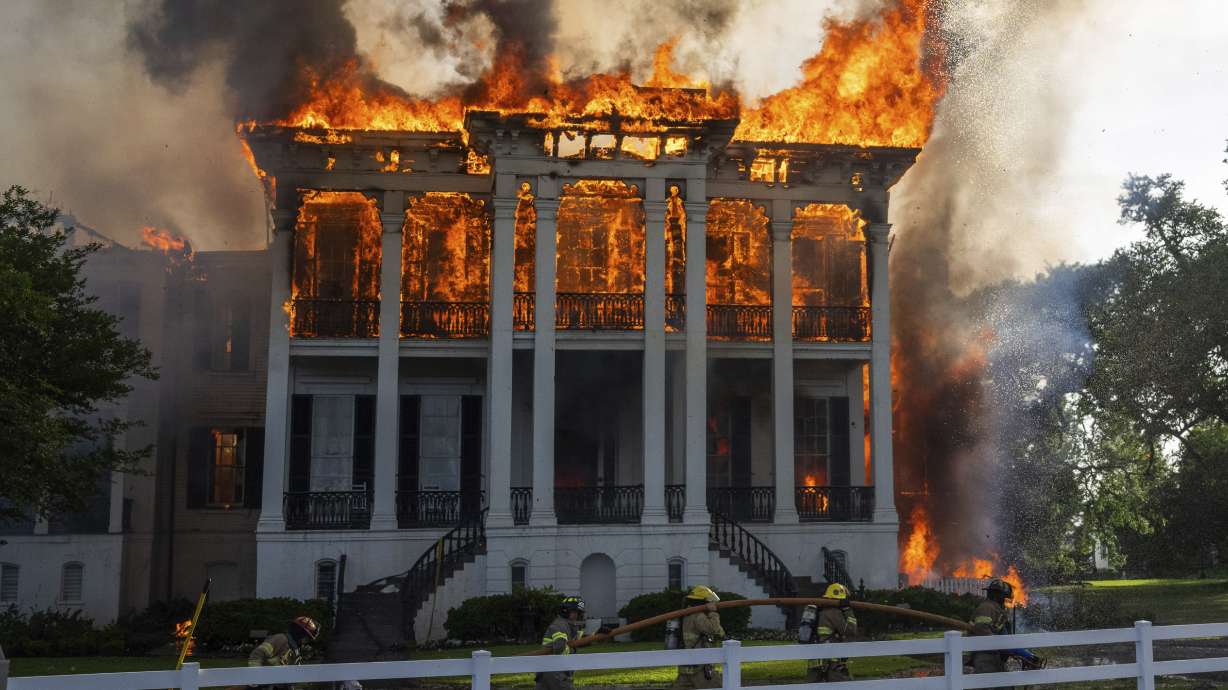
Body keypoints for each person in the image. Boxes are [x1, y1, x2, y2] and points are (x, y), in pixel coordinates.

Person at [246, 616, 324, 689]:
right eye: (307, 638)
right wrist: (255, 677)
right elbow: (257, 654)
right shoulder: (280, 639)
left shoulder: (295, 650)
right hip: (262, 685)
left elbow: (293, 672)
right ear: (300, 633)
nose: (306, 641)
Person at [672, 585, 724, 689]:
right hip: (700, 667)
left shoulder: (686, 614)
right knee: (715, 687)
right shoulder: (698, 616)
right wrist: (713, 612)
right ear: (704, 602)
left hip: (686, 665)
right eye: (709, 602)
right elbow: (714, 629)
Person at [804, 583, 858, 682]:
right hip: (832, 661)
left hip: (815, 661)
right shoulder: (834, 613)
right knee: (844, 686)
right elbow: (851, 630)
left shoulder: (819, 611)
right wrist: (848, 610)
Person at [537, 595, 586, 690]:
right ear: (566, 611)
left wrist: (596, 634)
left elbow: (578, 642)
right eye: (575, 612)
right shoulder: (560, 625)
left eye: (579, 613)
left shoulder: (568, 625)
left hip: (548, 671)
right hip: (555, 672)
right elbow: (559, 646)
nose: (578, 615)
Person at [970, 579, 1012, 675]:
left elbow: (1000, 631)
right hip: (985, 657)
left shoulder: (996, 609)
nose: (1005, 600)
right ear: (998, 595)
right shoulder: (986, 608)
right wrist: (999, 645)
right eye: (1004, 597)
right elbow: (982, 629)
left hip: (995, 656)